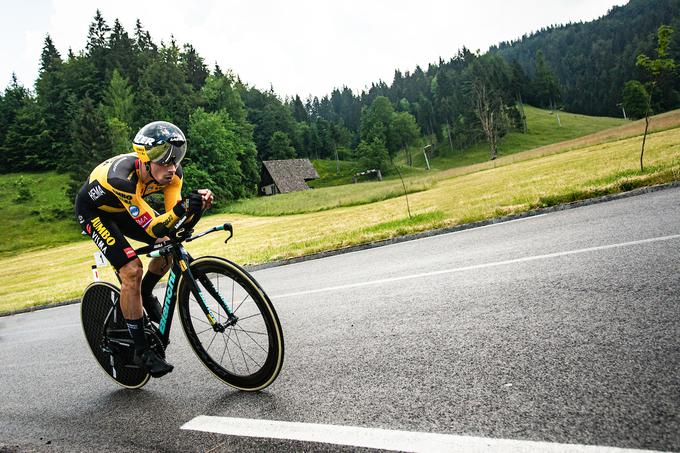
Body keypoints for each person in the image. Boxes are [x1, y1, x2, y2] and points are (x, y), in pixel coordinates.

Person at [75, 121, 213, 378]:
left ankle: (146, 294)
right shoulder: (122, 178)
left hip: (126, 209)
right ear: (144, 159)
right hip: (95, 213)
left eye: (176, 160)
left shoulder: (174, 175)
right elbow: (153, 229)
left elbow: (174, 226)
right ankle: (141, 350)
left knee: (170, 246)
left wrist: (194, 210)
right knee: (131, 270)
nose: (171, 168)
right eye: (164, 162)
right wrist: (183, 209)